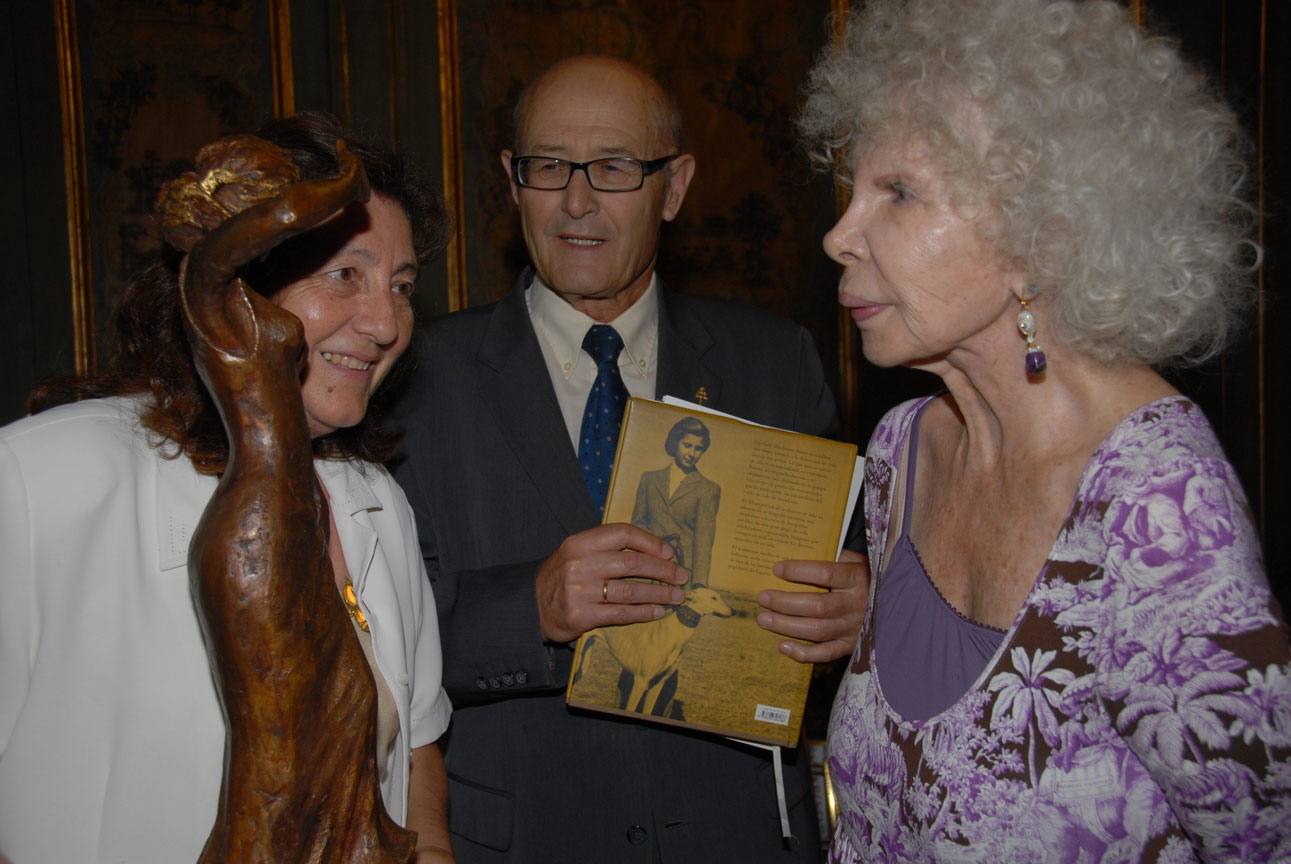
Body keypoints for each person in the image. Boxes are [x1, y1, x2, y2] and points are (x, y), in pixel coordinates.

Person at [799, 0, 1291, 860]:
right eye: (854, 192)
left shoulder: (1157, 506)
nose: (840, 235)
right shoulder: (899, 453)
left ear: (1040, 233)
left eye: (900, 194)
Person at [391, 55, 868, 862]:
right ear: (512, 182)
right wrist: (528, 611)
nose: (577, 203)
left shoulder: (773, 363)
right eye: (548, 168)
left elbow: (841, 591)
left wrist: (860, 611)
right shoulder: (412, 379)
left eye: (613, 168)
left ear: (673, 187)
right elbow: (370, 650)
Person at [0, 113, 455, 863]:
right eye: (345, 274)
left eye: (401, 286)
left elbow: (415, 746)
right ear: (239, 286)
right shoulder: (42, 481)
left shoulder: (374, 501)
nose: (384, 323)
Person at [631, 416, 720, 586]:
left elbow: (703, 543)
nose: (692, 454)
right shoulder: (649, 479)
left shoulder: (708, 489)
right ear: (675, 443)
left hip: (681, 576)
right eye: (687, 445)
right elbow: (637, 524)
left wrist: (699, 585)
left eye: (698, 448)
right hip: (644, 570)